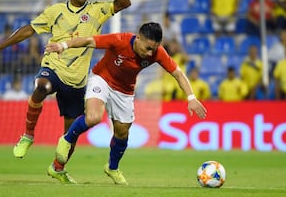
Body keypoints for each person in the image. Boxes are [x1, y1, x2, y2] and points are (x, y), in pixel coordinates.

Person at [0, 0, 131, 159]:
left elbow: (125, 3)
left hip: (77, 80)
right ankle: (28, 135)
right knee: (41, 86)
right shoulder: (55, 11)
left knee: (69, 137)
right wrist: (0, 47)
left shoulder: (96, 10)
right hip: (54, 66)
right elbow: (29, 30)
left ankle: (59, 168)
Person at [44, 22, 207, 185]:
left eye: (154, 49)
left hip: (124, 91)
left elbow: (177, 73)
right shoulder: (119, 40)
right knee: (93, 117)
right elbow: (87, 41)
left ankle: (112, 168)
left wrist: (191, 98)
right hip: (102, 78)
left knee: (122, 132)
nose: (150, 53)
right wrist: (63, 45)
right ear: (138, 38)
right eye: (148, 48)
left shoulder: (157, 53)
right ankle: (66, 140)